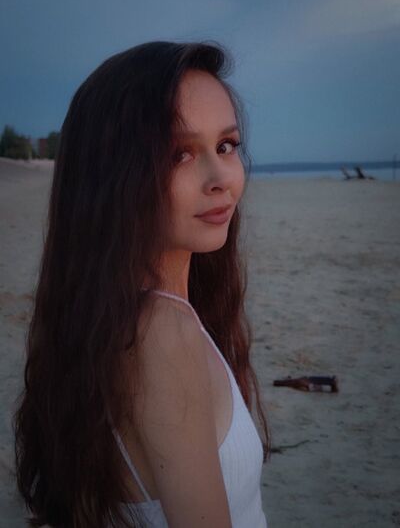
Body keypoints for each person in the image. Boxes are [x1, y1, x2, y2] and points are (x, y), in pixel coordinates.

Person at [13, 40, 271, 527]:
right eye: (179, 154)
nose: (220, 177)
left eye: (226, 146)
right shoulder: (162, 334)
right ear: (116, 175)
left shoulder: (106, 319)